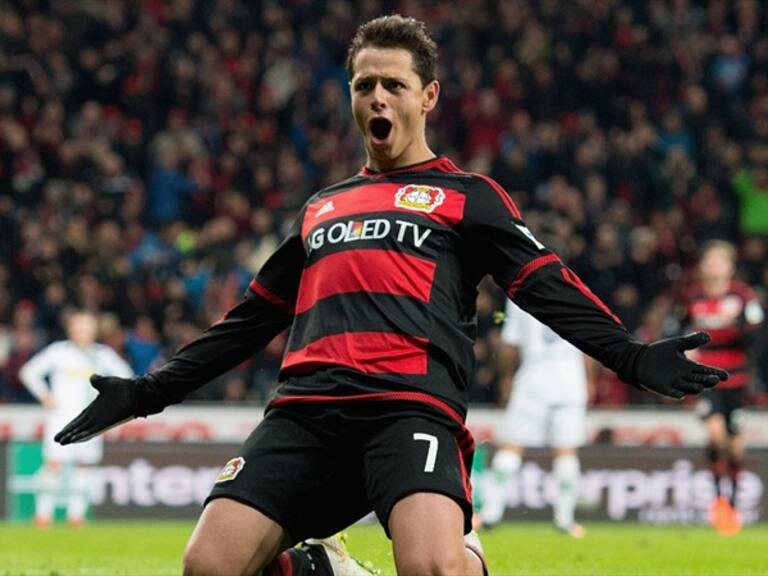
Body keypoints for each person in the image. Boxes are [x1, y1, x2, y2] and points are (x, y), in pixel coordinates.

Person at [56, 15, 727, 576]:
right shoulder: (323, 206)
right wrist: (147, 392)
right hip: (305, 412)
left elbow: (545, 285)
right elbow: (249, 319)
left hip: (409, 409)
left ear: (427, 96)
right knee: (208, 567)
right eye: (364, 84)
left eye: (393, 85)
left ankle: (467, 556)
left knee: (431, 570)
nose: (377, 97)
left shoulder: (468, 196)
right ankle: (324, 567)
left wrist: (630, 358)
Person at [478, 301, 597, 538]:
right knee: (566, 452)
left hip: (533, 382)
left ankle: (489, 515)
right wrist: (590, 380)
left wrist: (506, 377)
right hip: (570, 382)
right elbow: (588, 343)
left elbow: (510, 345)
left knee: (512, 447)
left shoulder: (519, 295)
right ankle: (565, 520)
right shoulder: (574, 289)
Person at [19, 309, 133, 527]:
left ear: (94, 331)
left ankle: (76, 516)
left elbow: (126, 376)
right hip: (60, 418)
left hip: (91, 419)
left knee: (84, 466)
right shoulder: (58, 352)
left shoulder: (102, 355)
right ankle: (43, 515)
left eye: (87, 328)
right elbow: (29, 372)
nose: (82, 332)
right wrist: (45, 394)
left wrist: (110, 403)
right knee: (53, 465)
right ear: (71, 329)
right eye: (78, 327)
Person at [681, 240, 763, 534]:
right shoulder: (693, 296)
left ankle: (734, 503)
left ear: (730, 267)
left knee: (735, 446)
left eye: (719, 261)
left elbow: (756, 334)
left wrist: (738, 326)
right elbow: (682, 329)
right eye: (710, 261)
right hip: (706, 377)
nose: (714, 266)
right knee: (715, 435)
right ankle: (718, 501)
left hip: (736, 378)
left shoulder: (742, 296)